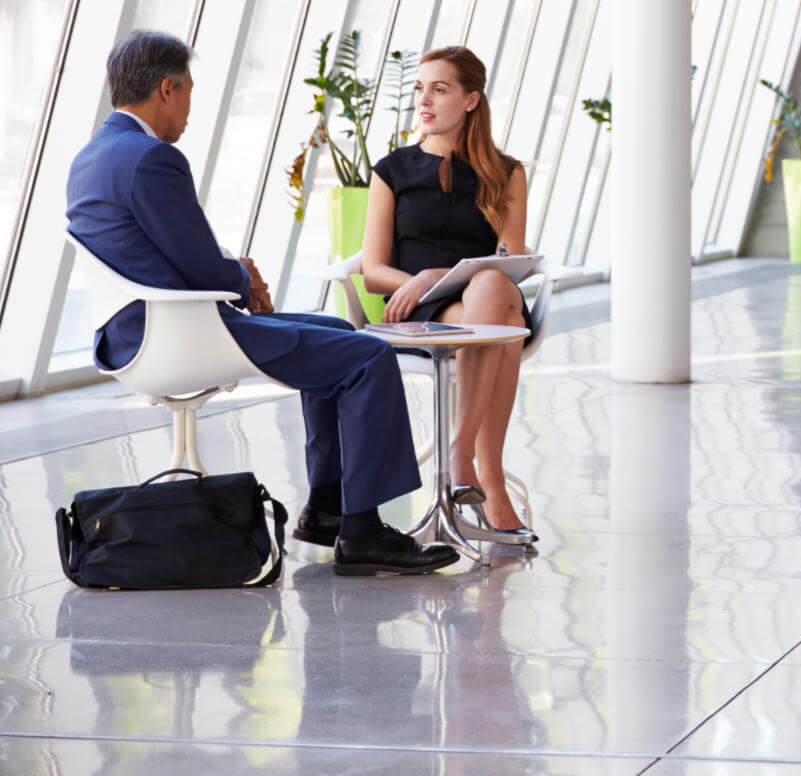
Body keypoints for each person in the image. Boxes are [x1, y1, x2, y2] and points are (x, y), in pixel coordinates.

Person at [66, 31, 456, 576]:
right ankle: (363, 531)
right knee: (366, 356)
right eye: (189, 93)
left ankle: (326, 509)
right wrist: (244, 277)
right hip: (178, 331)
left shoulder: (94, 155)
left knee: (337, 333)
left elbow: (173, 256)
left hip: (141, 328)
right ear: (165, 89)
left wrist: (232, 277)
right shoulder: (151, 157)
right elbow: (202, 269)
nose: (189, 110)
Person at [361, 47, 533, 537]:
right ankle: (487, 478)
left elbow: (508, 259)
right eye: (420, 88)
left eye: (439, 89)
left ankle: (463, 456)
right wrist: (419, 282)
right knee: (501, 321)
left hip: (479, 298)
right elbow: (374, 271)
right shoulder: (391, 170)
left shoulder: (507, 172)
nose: (424, 100)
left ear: (471, 99)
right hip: (414, 308)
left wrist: (435, 272)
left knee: (493, 286)